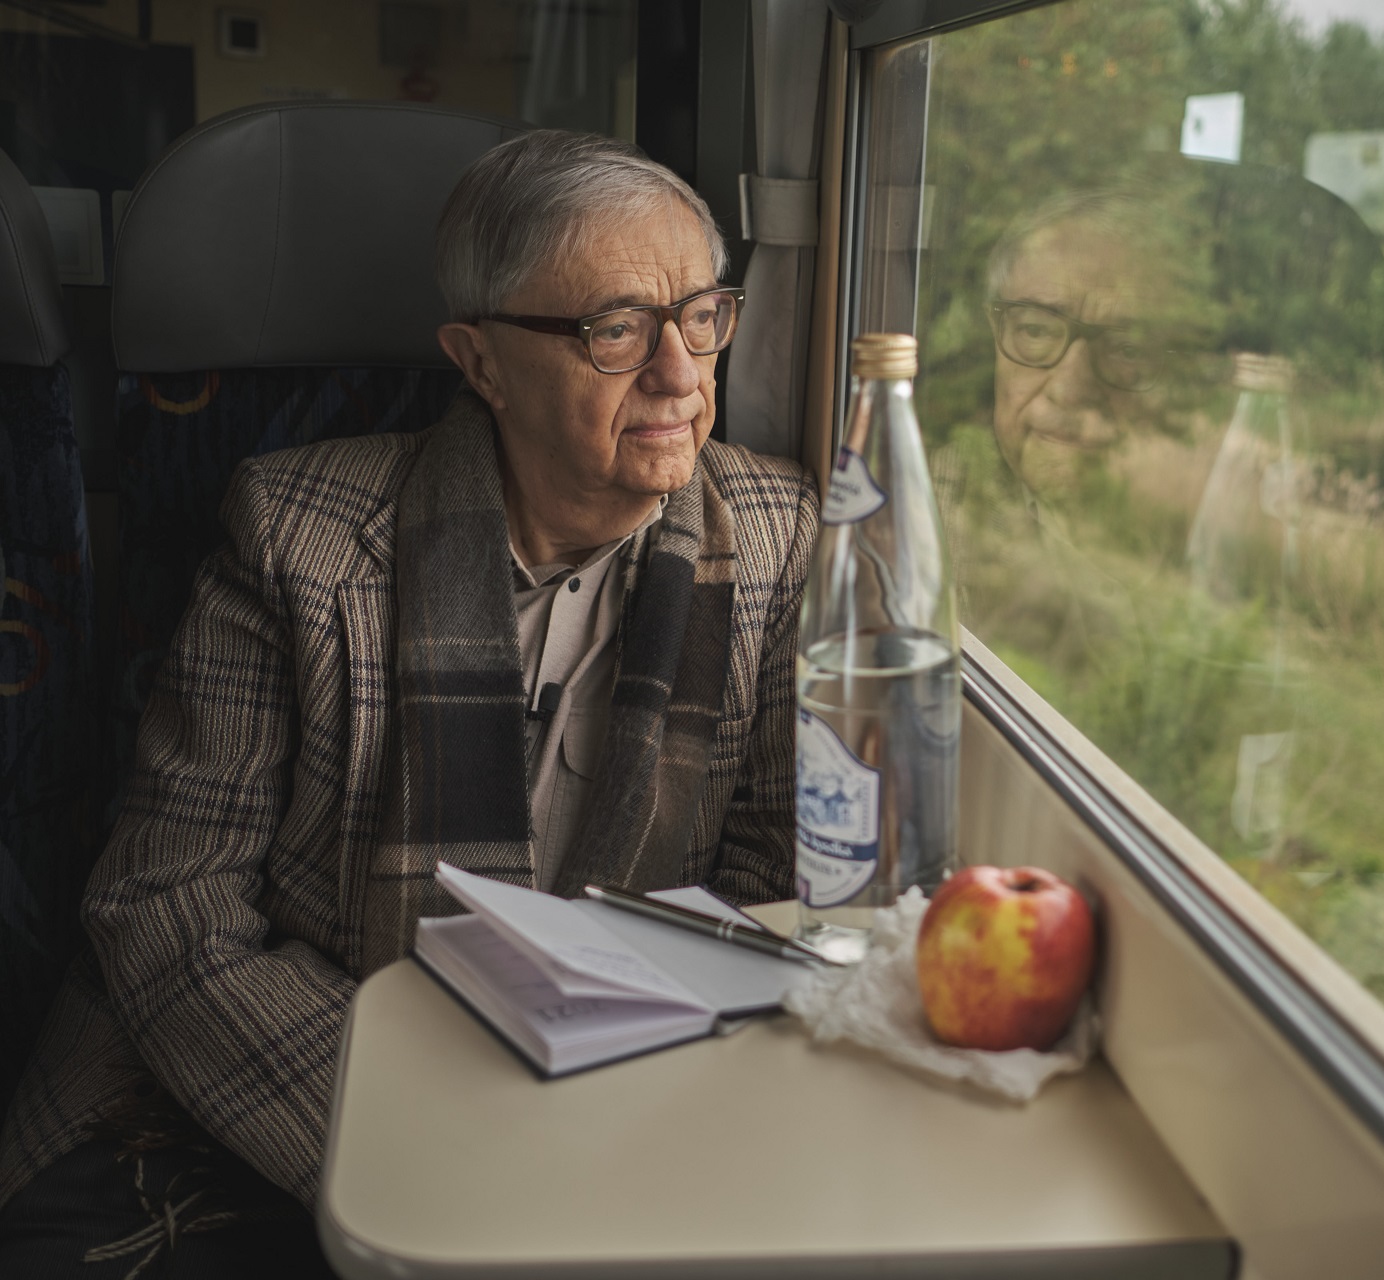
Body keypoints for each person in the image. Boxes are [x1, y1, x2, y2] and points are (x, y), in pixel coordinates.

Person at [0, 130, 818, 1276]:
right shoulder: (299, 534)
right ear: (479, 361)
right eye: (615, 328)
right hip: (260, 1076)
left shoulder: (778, 537)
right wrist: (435, 1128)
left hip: (619, 1082)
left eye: (701, 316)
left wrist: (608, 1111)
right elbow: (166, 905)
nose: (680, 373)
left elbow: (776, 878)